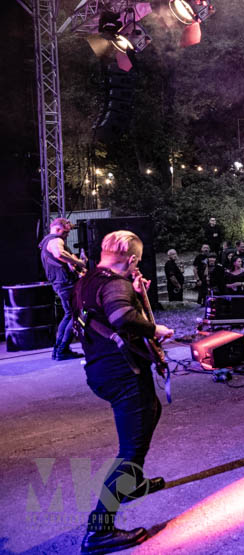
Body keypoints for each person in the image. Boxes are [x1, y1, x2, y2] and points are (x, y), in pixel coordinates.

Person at [74, 230, 174, 554]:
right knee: (130, 450)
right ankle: (99, 531)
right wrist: (155, 328)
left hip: (101, 370)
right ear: (131, 259)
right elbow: (121, 317)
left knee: (152, 411)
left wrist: (136, 293)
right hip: (123, 374)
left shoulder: (89, 279)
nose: (137, 267)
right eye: (137, 262)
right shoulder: (116, 284)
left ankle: (131, 484)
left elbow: (106, 312)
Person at [39, 217, 86, 360]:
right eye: (65, 232)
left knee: (69, 314)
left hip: (60, 283)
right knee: (76, 316)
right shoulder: (55, 240)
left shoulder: (46, 241)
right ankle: (62, 350)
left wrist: (74, 267)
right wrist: (79, 262)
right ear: (58, 229)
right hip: (66, 284)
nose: (66, 236)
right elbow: (59, 253)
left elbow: (60, 260)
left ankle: (59, 350)